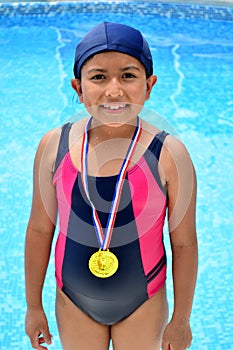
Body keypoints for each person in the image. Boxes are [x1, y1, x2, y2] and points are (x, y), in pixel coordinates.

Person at [24, 22, 198, 350]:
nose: (114, 91)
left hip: (143, 299)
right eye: (99, 77)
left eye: (128, 76)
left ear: (149, 86)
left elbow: (185, 244)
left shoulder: (169, 154)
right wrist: (33, 306)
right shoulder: (54, 146)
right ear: (78, 88)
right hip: (73, 299)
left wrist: (181, 318)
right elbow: (38, 230)